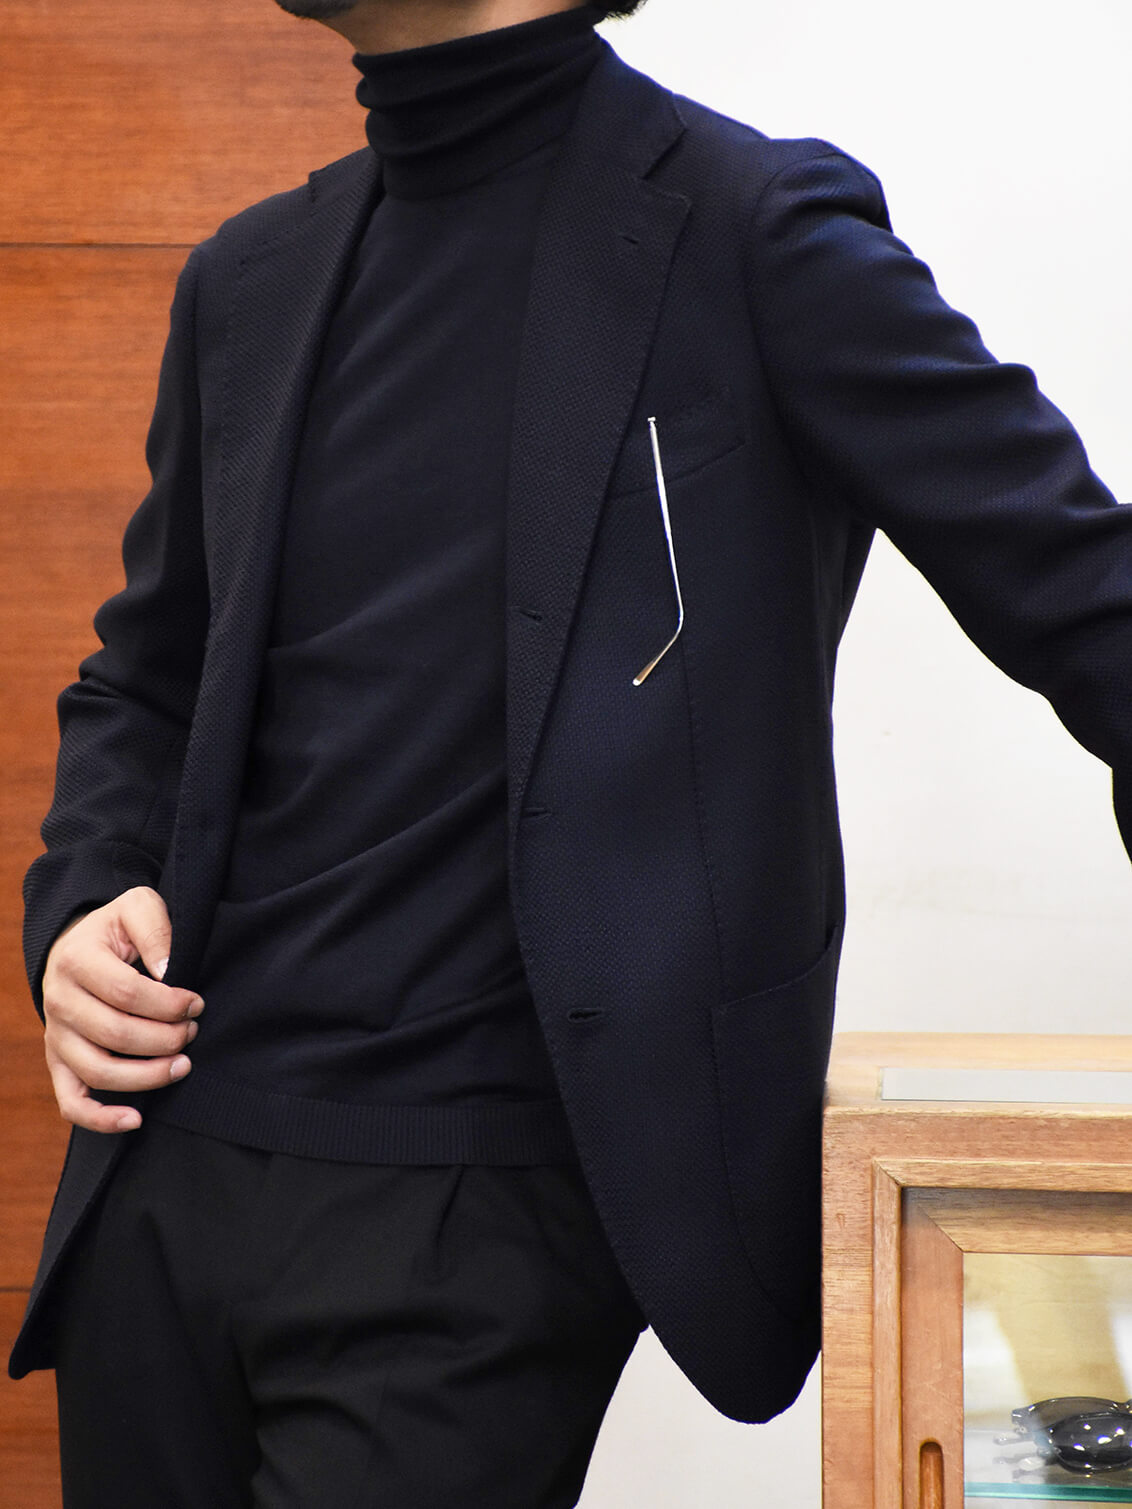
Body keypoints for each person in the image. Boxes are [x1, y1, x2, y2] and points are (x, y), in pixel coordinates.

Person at [11, 0, 1132, 1502]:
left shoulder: (753, 232)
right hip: (162, 1175)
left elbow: (1089, 598)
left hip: (480, 1222)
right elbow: (144, 683)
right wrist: (81, 898)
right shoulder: (247, 278)